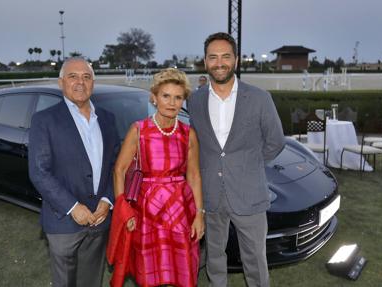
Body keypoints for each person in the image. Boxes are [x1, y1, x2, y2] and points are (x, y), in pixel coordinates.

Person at [187, 32, 285, 287]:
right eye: (213, 57)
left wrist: (247, 166)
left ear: (237, 60)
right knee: (215, 257)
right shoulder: (194, 100)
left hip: (250, 193)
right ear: (205, 62)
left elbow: (275, 141)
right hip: (210, 196)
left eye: (225, 56)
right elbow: (195, 146)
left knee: (255, 258)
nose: (219, 63)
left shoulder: (260, 98)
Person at [28, 57, 119, 287]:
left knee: (91, 281)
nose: (80, 82)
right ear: (61, 83)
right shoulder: (44, 120)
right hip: (64, 223)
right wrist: (73, 207)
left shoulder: (108, 119)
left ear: (93, 83)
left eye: (86, 77)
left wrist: (108, 200)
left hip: (99, 219)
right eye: (73, 76)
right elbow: (39, 172)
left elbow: (116, 167)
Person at [112, 68, 205, 287]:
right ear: (154, 97)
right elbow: (120, 170)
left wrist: (199, 215)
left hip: (180, 210)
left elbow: (193, 175)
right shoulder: (139, 130)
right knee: (149, 270)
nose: (172, 103)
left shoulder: (187, 133)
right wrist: (123, 209)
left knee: (181, 268)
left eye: (178, 97)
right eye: (166, 96)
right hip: (146, 210)